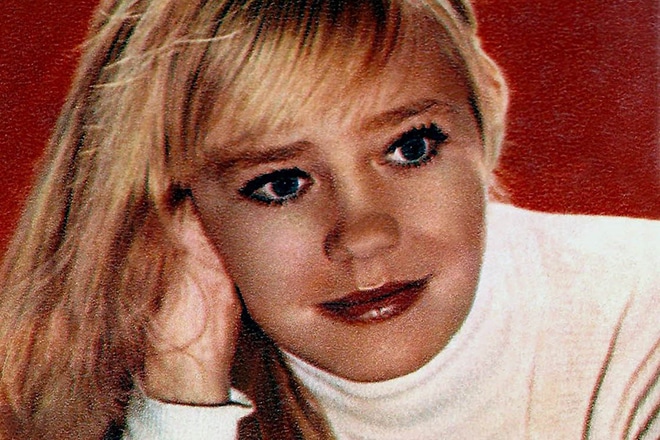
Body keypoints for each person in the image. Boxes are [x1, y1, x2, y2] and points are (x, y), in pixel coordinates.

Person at [0, 0, 657, 439]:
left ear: (484, 114)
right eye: (281, 184)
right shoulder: (112, 389)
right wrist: (181, 403)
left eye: (411, 148)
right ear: (176, 210)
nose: (365, 234)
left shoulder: (641, 311)